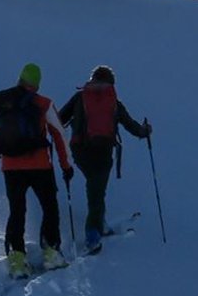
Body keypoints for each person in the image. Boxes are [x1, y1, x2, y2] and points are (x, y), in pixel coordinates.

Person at [0, 63, 74, 277]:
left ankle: (16, 258)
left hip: (11, 167)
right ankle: (51, 253)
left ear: (20, 79)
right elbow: (59, 135)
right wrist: (66, 165)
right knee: (49, 206)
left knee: (17, 210)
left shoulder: (6, 103)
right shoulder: (44, 103)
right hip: (40, 165)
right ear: (37, 83)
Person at [55, 65, 151, 253]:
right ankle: (93, 235)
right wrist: (146, 131)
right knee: (96, 193)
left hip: (80, 152)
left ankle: (101, 223)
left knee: (94, 188)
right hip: (103, 152)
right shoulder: (114, 102)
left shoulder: (80, 97)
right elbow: (132, 126)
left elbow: (59, 119)